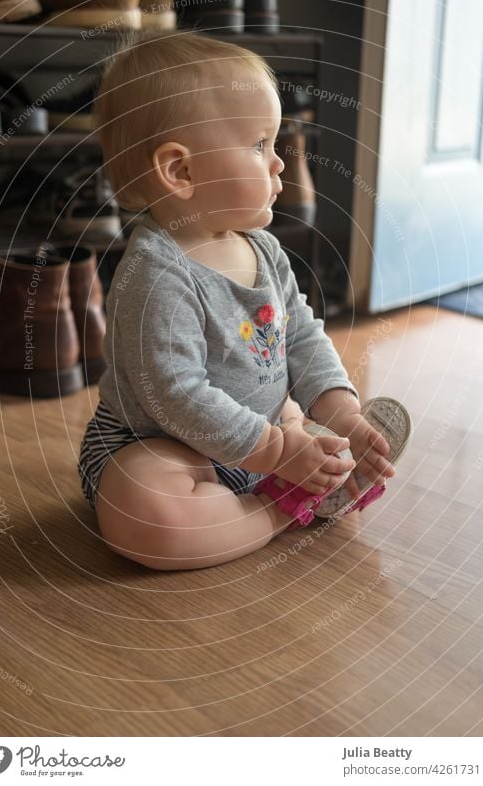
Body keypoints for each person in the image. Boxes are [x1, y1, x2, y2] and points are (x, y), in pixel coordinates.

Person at [78, 31, 402, 571]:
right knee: (148, 512)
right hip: (165, 447)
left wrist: (341, 414)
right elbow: (176, 396)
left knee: (308, 426)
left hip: (267, 434)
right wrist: (278, 454)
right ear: (180, 172)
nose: (279, 164)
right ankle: (281, 506)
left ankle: (317, 465)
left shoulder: (263, 249)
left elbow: (298, 335)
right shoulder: (155, 275)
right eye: (259, 146)